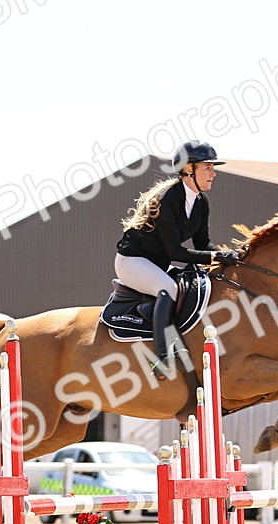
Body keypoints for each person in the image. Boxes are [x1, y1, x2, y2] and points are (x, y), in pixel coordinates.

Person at [116, 140, 240, 379]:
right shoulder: (168, 199)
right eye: (208, 167)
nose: (213, 173)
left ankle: (156, 317)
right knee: (169, 287)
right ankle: (162, 358)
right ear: (188, 170)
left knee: (193, 284)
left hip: (157, 264)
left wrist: (230, 256)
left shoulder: (201, 201)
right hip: (132, 262)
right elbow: (175, 252)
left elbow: (203, 246)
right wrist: (215, 256)